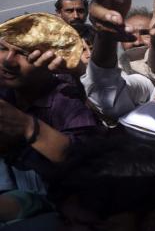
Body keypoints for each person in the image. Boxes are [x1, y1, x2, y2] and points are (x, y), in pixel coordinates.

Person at [0, 13, 97, 223]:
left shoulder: (68, 99)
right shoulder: (5, 90)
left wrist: (27, 127)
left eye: (24, 53)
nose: (8, 61)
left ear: (51, 60)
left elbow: (83, 164)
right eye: (3, 48)